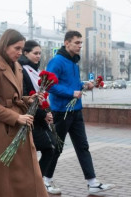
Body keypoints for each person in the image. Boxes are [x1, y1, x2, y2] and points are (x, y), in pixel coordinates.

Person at [45, 30, 115, 194]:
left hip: (76, 111)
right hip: (61, 111)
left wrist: (85, 84)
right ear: (66, 43)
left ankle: (92, 183)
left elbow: (72, 83)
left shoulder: (73, 62)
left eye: (81, 43)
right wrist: (71, 93)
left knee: (83, 146)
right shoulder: (57, 61)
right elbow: (49, 85)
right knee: (57, 147)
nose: (80, 46)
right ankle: (45, 180)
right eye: (77, 43)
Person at [0, 29, 48, 197]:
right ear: (5, 46)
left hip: (21, 127)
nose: (20, 53)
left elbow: (16, 97)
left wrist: (29, 99)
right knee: (4, 181)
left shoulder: (17, 66)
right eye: (17, 48)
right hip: (2, 131)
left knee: (28, 175)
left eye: (22, 48)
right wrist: (16, 117)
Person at [18, 40, 59, 194]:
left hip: (39, 118)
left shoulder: (34, 70)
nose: (38, 56)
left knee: (48, 148)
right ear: (25, 53)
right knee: (50, 147)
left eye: (40, 53)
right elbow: (28, 97)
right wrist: (44, 114)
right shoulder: (23, 71)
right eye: (35, 53)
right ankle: (35, 184)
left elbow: (41, 96)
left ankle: (34, 183)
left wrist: (47, 112)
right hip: (31, 119)